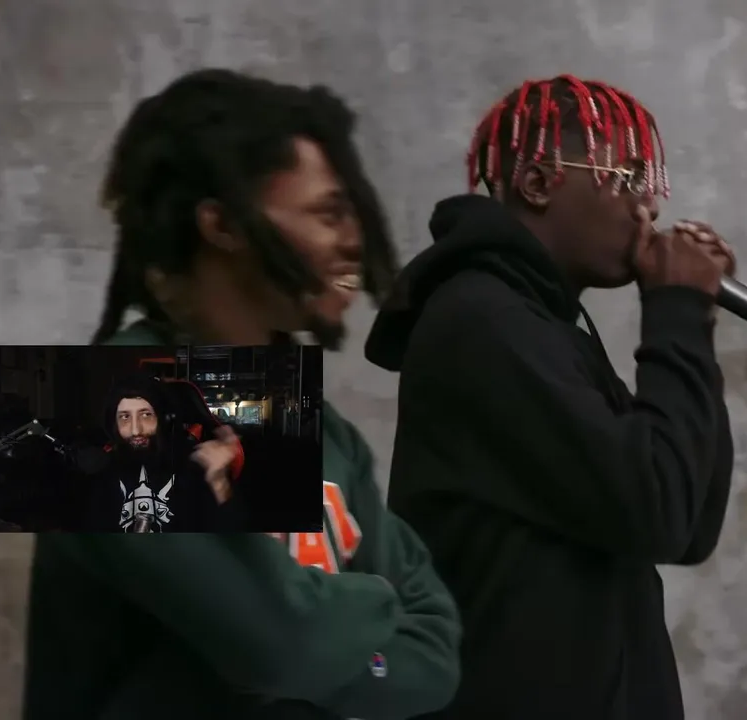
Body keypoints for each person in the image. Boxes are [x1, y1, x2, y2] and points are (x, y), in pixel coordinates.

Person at [23, 68, 461, 720]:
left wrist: (318, 639)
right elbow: (287, 647)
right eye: (328, 213)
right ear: (223, 223)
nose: (354, 240)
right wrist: (377, 600)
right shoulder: (104, 408)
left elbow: (436, 657)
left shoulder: (320, 426)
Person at [363, 75, 736, 719]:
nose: (649, 206)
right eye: (627, 179)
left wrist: (691, 323)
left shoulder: (544, 327)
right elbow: (656, 507)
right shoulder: (484, 321)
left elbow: (686, 522)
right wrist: (673, 317)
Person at [79, 373, 243, 532]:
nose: (136, 430)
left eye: (146, 415)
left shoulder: (196, 465)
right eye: (125, 417)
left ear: (165, 418)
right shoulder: (103, 470)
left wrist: (219, 482)